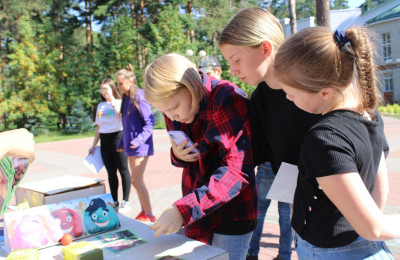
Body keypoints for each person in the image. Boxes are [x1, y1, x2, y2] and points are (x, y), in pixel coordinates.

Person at [273, 26, 397, 259]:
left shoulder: (325, 138)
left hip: (330, 250)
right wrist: (365, 222)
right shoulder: (371, 113)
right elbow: (381, 189)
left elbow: (375, 227)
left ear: (325, 92)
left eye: (291, 93)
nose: (288, 99)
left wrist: (368, 224)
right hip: (359, 242)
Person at [218, 8, 322, 260]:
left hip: (343, 222)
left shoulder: (315, 82)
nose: (232, 70)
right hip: (307, 226)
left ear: (265, 48)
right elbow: (245, 158)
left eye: (236, 59)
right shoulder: (260, 100)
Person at [143, 53, 258, 260]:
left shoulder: (227, 97)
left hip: (231, 212)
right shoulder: (176, 105)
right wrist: (178, 155)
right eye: (163, 112)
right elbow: (193, 156)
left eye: (173, 107)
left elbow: (236, 171)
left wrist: (183, 210)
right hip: (196, 206)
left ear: (192, 87)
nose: (171, 117)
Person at [115, 65, 156, 222]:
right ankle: (144, 211)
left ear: (130, 81)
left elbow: (149, 122)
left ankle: (150, 215)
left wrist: (139, 140)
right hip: (130, 146)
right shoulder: (126, 99)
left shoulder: (139, 96)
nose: (118, 87)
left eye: (120, 84)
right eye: (117, 84)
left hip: (141, 146)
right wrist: (121, 142)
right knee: (136, 181)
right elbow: (127, 126)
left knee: (136, 180)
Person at [88, 78, 131, 212]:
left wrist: (112, 102)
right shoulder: (100, 106)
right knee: (111, 173)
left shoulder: (119, 102)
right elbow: (98, 127)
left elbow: (122, 118)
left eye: (105, 89)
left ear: (112, 88)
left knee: (123, 170)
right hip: (105, 141)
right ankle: (115, 201)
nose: (103, 92)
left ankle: (126, 201)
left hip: (118, 138)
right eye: (101, 89)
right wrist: (93, 145)